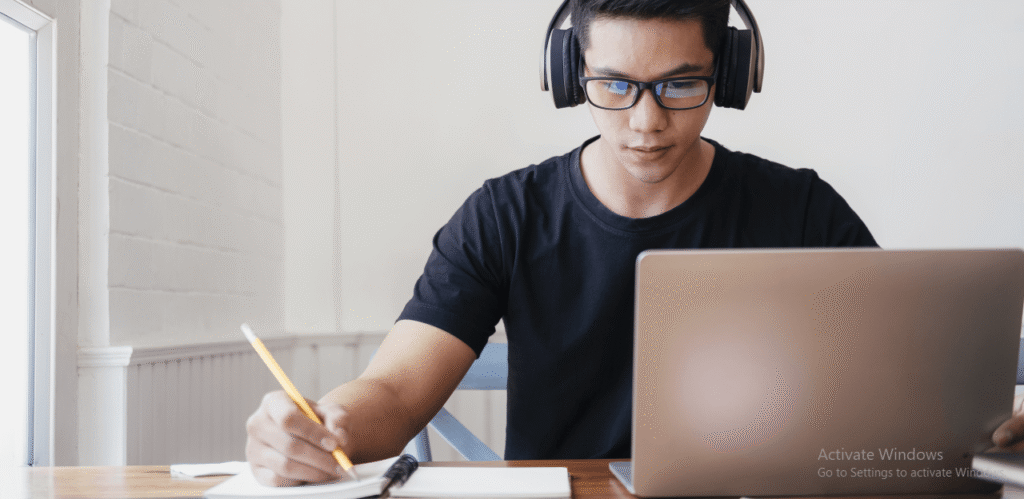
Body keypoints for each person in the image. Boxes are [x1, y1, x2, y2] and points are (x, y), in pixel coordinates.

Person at [243, 0, 1023, 487]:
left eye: (680, 84)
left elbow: (910, 387)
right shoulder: (503, 216)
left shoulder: (801, 209)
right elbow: (393, 392)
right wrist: (324, 424)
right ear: (569, 75)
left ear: (730, 76)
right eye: (614, 85)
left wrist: (1000, 422)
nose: (646, 122)